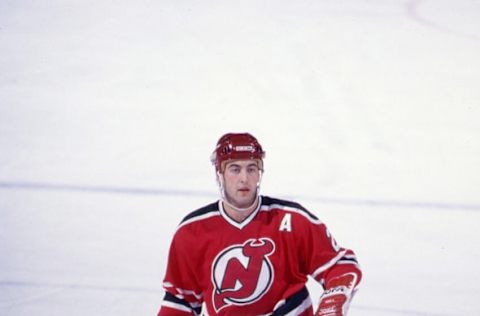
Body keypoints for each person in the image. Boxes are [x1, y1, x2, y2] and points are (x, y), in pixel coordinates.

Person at [158, 133, 362, 316]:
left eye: (251, 168)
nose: (244, 178)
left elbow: (340, 265)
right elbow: (181, 302)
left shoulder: (290, 220)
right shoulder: (193, 231)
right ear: (219, 174)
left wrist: (334, 299)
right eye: (235, 169)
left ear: (259, 173)